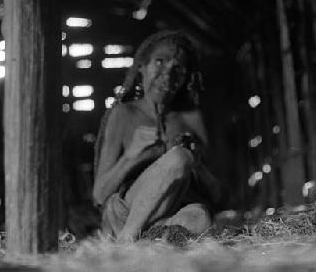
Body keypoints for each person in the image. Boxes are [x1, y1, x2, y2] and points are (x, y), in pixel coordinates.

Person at [93, 30, 222, 241]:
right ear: (142, 67)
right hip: (126, 214)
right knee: (178, 158)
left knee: (200, 217)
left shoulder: (191, 119)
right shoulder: (123, 114)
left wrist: (196, 163)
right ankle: (127, 240)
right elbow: (99, 195)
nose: (168, 74)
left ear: (186, 78)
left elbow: (217, 194)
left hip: (169, 216)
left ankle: (149, 241)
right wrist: (131, 157)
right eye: (160, 61)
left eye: (178, 68)